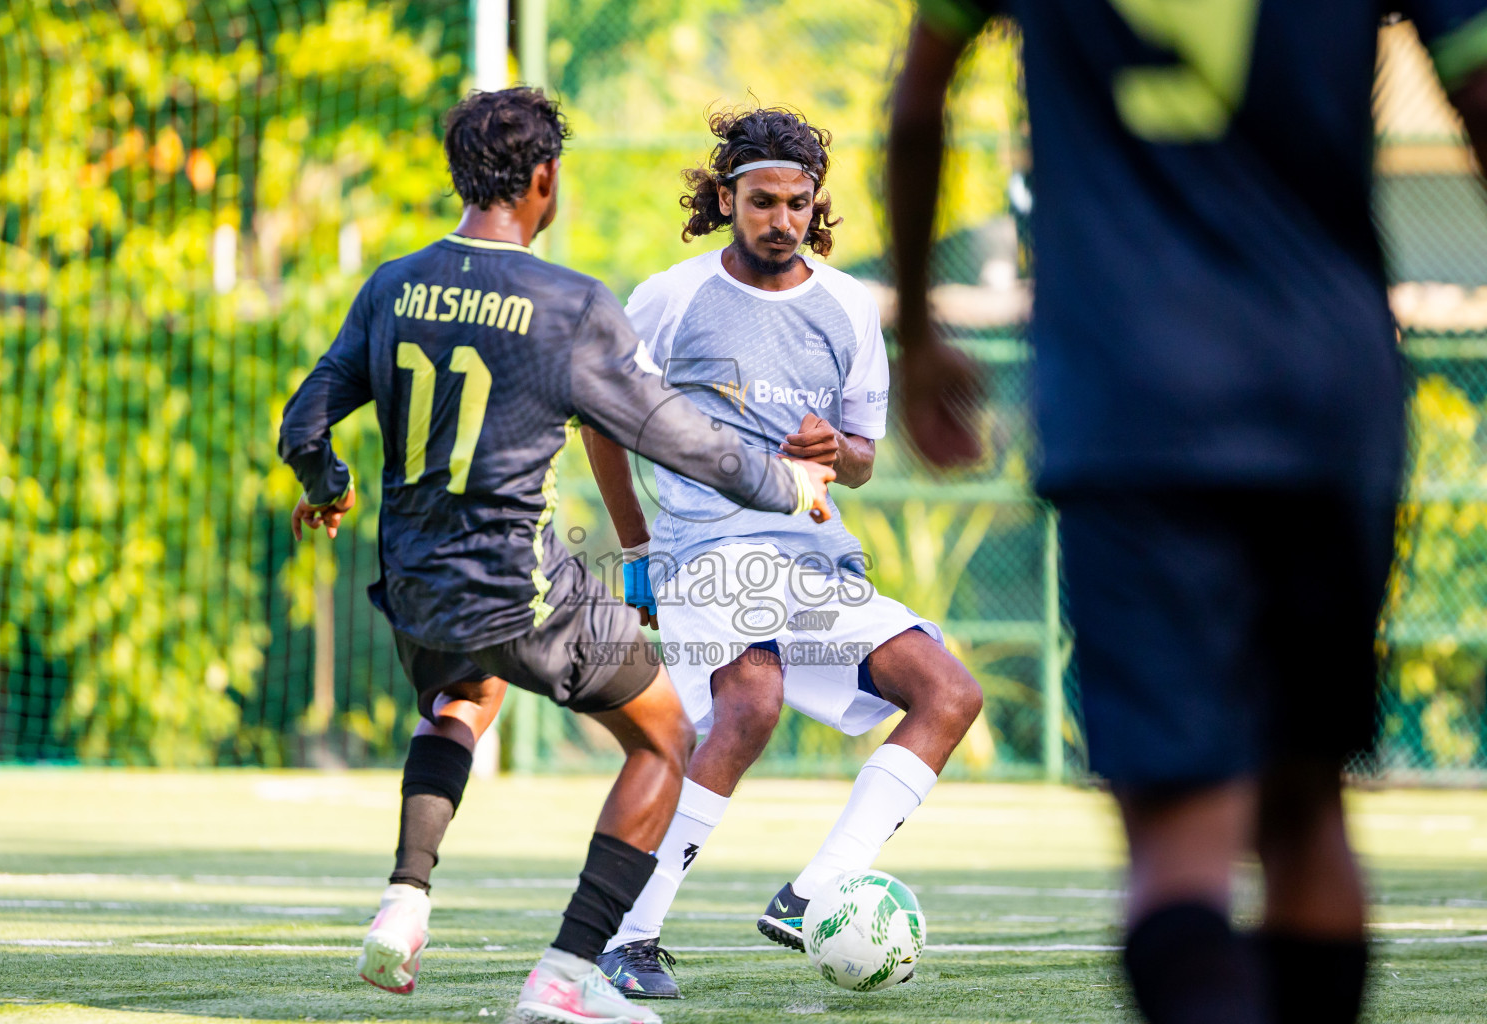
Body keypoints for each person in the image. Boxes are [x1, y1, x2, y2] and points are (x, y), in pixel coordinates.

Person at [888, 5, 1487, 1024]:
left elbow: (918, 97)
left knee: (1179, 844)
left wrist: (917, 329)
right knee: (1308, 810)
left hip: (1134, 404)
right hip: (1325, 392)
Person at [279, 87, 833, 1024]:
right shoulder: (566, 303)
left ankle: (405, 899)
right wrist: (788, 483)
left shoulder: (392, 286)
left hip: (414, 585)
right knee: (665, 738)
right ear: (545, 179)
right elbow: (677, 437)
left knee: (465, 696)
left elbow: (303, 424)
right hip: (522, 590)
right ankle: (568, 974)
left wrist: (329, 487)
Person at [584, 107, 984, 999]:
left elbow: (864, 460)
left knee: (949, 692)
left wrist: (836, 453)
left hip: (811, 558)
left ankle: (813, 895)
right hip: (703, 548)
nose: (781, 219)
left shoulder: (848, 307)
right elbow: (601, 419)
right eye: (762, 201)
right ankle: (628, 936)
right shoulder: (673, 296)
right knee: (752, 698)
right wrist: (638, 547)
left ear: (815, 203)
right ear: (726, 198)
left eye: (798, 203)